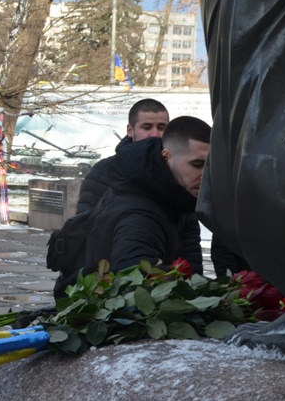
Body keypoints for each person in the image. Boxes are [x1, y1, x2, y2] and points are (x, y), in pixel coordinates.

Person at [70, 116, 211, 283]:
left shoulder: (177, 199)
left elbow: (191, 263)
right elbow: (137, 280)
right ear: (166, 156)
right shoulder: (138, 213)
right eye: (197, 165)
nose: (205, 175)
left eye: (209, 165)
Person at [76, 99, 169, 213]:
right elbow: (86, 220)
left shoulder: (177, 171)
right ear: (130, 130)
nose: (155, 134)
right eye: (147, 127)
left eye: (161, 127)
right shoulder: (104, 171)